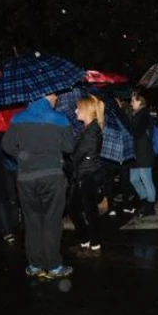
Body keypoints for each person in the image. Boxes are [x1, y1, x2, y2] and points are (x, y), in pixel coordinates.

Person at [2, 93, 75, 279]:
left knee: (32, 220)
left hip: (26, 178)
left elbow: (7, 146)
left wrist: (23, 156)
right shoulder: (60, 119)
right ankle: (54, 266)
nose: (57, 98)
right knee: (52, 220)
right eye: (55, 95)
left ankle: (35, 265)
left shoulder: (17, 118)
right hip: (52, 177)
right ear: (46, 95)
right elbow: (69, 147)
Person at [69, 95, 104, 252]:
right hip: (84, 174)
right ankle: (86, 239)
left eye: (78, 108)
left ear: (87, 110)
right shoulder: (88, 128)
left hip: (88, 174)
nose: (76, 111)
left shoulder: (92, 130)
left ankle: (94, 243)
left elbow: (77, 155)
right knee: (76, 209)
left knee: (87, 211)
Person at [128, 89, 157, 217]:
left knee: (146, 178)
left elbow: (136, 132)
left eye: (133, 101)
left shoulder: (144, 114)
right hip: (136, 151)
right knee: (134, 179)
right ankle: (145, 201)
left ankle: (150, 206)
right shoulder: (136, 114)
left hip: (143, 152)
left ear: (140, 101)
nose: (131, 103)